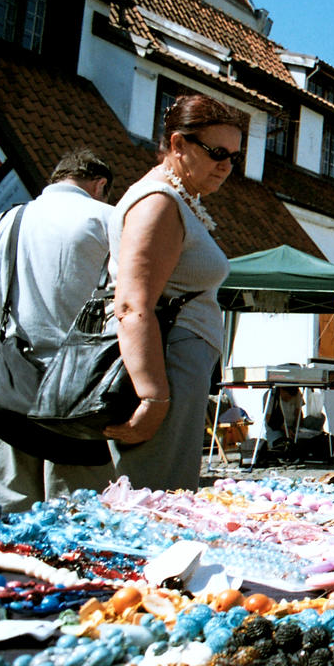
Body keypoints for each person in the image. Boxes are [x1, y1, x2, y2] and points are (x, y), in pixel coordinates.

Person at [105, 95, 239, 490]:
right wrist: (153, 397)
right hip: (167, 366)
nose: (226, 166)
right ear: (178, 145)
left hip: (177, 364)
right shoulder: (159, 202)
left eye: (234, 156)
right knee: (155, 494)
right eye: (217, 152)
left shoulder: (179, 200)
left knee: (165, 492)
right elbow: (132, 305)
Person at [0, 149, 117, 510]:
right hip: (80, 393)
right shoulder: (108, 219)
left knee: (9, 510)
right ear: (100, 184)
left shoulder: (2, 222)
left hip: (12, 386)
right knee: (76, 514)